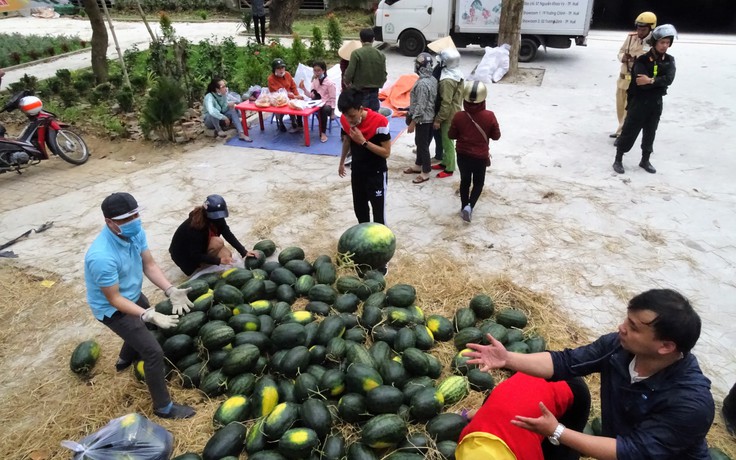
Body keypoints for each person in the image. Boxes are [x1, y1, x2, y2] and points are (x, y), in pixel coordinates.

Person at [464, 288, 715, 459]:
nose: (622, 328)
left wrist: (557, 431)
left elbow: (631, 451)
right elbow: (565, 362)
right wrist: (509, 358)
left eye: (634, 327)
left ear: (666, 347)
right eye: (626, 320)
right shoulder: (617, 347)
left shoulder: (691, 403)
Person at [84, 192, 196, 419]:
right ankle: (163, 407)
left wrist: (170, 290)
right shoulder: (101, 256)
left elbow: (150, 264)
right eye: (126, 219)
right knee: (153, 351)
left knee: (140, 328)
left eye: (135, 214)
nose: (134, 221)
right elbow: (114, 299)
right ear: (110, 222)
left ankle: (124, 360)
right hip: (112, 309)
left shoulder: (135, 234)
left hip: (132, 294)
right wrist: (146, 314)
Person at [456, 373, 590, 460]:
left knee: (563, 452)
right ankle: (472, 413)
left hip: (570, 386)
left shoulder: (527, 454)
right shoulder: (465, 441)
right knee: (492, 411)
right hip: (528, 374)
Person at [613, 24, 677, 175]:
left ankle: (645, 159)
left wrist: (651, 80)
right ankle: (618, 159)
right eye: (662, 42)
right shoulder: (642, 60)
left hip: (655, 103)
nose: (665, 46)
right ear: (655, 42)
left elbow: (669, 79)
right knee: (629, 131)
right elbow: (640, 83)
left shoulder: (669, 60)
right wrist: (653, 82)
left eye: (667, 43)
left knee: (650, 132)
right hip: (639, 102)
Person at [449, 80, 500, 223]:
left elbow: (451, 135)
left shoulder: (459, 116)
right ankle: (470, 206)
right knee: (478, 183)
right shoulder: (489, 116)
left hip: (462, 155)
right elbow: (496, 136)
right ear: (483, 100)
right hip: (480, 157)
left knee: (465, 181)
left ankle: (464, 206)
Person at [338, 87, 391, 225]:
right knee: (360, 210)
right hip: (357, 171)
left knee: (378, 214)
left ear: (361, 109)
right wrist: (342, 161)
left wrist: (363, 142)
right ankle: (364, 242)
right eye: (346, 116)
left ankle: (381, 243)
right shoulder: (345, 120)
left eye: (352, 116)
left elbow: (386, 153)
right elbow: (347, 140)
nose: (349, 120)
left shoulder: (380, 122)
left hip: (376, 173)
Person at [169, 194, 255, 276]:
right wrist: (218, 260)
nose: (219, 218)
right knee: (217, 243)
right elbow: (195, 254)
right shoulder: (196, 227)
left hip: (198, 248)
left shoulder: (217, 219)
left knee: (228, 256)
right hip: (185, 257)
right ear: (207, 213)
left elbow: (227, 233)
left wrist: (243, 251)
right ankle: (199, 267)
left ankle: (207, 262)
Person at [611, 12, 657, 141]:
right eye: (638, 28)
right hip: (622, 78)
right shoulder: (631, 37)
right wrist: (622, 57)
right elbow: (620, 52)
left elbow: (649, 59)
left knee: (628, 109)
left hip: (635, 81)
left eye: (643, 29)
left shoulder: (653, 42)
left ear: (650, 28)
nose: (640, 32)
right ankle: (620, 128)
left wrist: (635, 59)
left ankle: (622, 134)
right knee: (620, 107)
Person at [404, 52, 438, 184]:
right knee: (420, 142)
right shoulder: (433, 79)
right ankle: (418, 165)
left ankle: (426, 171)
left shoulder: (423, 84)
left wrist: (413, 122)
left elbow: (421, 105)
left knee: (423, 145)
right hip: (429, 117)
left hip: (423, 119)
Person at [432, 47, 464, 178]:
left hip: (449, 115)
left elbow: (446, 103)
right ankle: (444, 162)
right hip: (455, 110)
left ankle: (450, 168)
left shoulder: (447, 81)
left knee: (448, 141)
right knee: (446, 140)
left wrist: (438, 119)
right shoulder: (457, 73)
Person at [344, 28, 387, 112]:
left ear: (360, 39)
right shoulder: (381, 54)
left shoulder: (356, 53)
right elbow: (384, 74)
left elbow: (350, 72)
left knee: (362, 116)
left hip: (360, 92)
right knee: (374, 117)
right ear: (373, 39)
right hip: (375, 92)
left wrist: (347, 82)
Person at [203, 77, 251, 142]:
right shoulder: (209, 97)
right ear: (217, 89)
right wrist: (224, 117)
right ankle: (219, 130)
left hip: (221, 118)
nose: (225, 88)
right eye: (223, 87)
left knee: (232, 109)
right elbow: (212, 111)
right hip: (210, 121)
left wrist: (229, 105)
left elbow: (223, 108)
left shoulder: (223, 95)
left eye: (225, 86)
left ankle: (241, 133)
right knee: (213, 112)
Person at [268, 58, 303, 134]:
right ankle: (280, 122)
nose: (281, 70)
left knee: (296, 103)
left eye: (282, 68)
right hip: (277, 99)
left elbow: (293, 86)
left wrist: (297, 95)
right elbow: (276, 92)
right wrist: (291, 96)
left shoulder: (287, 74)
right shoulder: (271, 79)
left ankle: (294, 121)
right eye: (278, 68)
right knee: (280, 105)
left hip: (291, 97)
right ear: (274, 70)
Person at [310, 60, 337, 143]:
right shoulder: (314, 81)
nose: (317, 72)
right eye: (315, 70)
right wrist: (303, 89)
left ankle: (323, 132)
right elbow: (312, 96)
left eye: (319, 70)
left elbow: (333, 98)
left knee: (324, 109)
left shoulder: (329, 83)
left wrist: (332, 112)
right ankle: (321, 126)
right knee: (312, 106)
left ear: (323, 70)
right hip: (318, 103)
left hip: (327, 106)